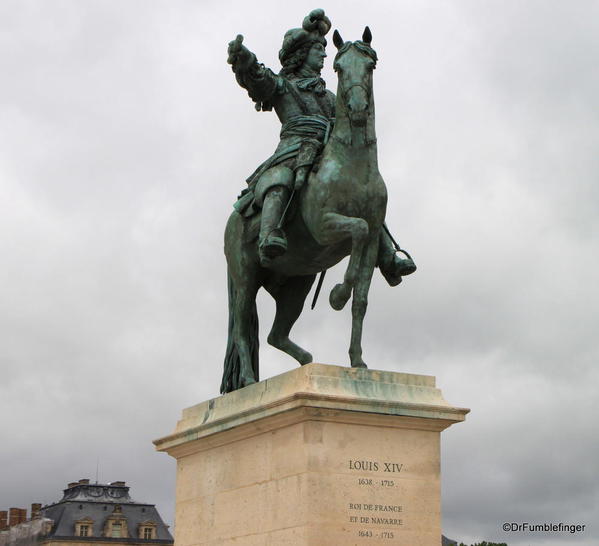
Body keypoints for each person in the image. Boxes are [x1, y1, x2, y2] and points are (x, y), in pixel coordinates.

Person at [227, 9, 415, 283]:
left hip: (327, 146)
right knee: (279, 177)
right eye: (318, 49)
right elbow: (259, 78)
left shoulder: (328, 95)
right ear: (302, 53)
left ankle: (387, 255)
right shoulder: (283, 85)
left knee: (363, 192)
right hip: (294, 147)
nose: (325, 56)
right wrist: (245, 60)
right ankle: (269, 234)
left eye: (325, 50)